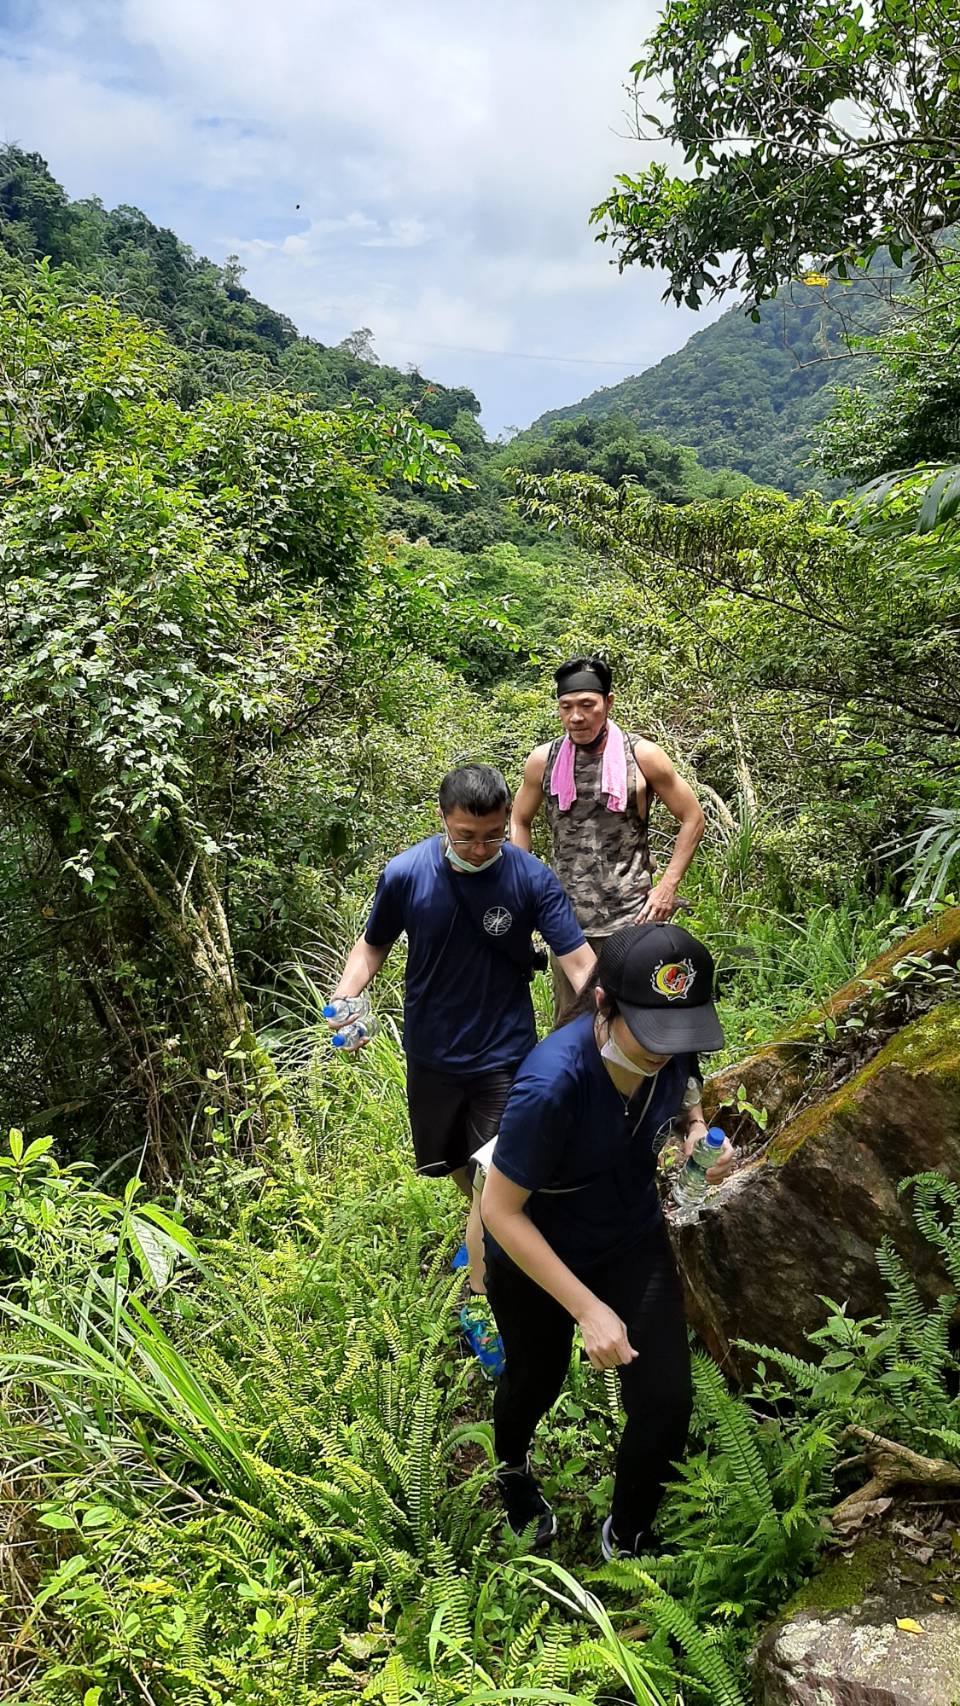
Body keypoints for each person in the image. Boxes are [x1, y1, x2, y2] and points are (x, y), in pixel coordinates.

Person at [479, 920, 735, 1556]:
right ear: (604, 1004)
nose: (664, 1052)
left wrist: (696, 1139)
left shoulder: (672, 1045)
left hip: (628, 1234)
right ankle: (511, 1466)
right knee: (534, 1380)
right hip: (538, 1248)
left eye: (679, 1036)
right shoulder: (552, 1084)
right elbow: (500, 1210)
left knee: (666, 1399)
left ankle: (628, 1532)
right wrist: (587, 1308)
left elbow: (686, 1090)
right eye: (650, 1034)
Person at [328, 764, 596, 1312]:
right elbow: (371, 945)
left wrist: (612, 1016)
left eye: (493, 835)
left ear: (506, 822)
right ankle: (481, 1229)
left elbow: (577, 961)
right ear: (442, 820)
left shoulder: (530, 877)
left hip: (505, 1056)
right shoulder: (406, 874)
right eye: (466, 837)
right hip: (431, 1052)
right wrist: (348, 996)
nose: (479, 849)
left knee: (494, 1183)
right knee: (455, 1164)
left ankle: (482, 1297)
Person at [511, 657, 706, 1024]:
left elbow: (693, 817)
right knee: (575, 1024)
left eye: (587, 705)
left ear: (609, 703)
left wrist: (667, 886)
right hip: (566, 920)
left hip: (634, 914)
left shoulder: (641, 755)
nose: (576, 717)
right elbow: (520, 819)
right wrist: (523, 885)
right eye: (566, 707)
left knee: (640, 1017)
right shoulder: (544, 761)